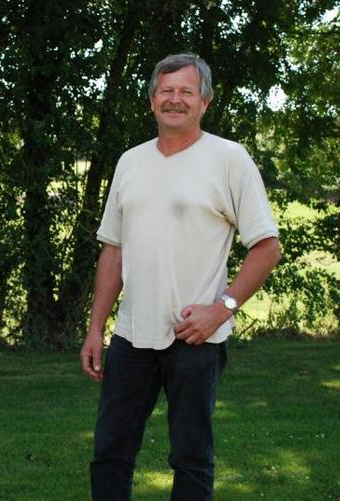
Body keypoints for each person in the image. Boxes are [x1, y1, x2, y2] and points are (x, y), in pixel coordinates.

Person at [80, 53, 281, 500]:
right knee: (110, 453)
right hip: (131, 338)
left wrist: (222, 308)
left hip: (195, 338)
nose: (175, 100)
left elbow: (268, 247)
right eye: (166, 91)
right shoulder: (129, 162)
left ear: (204, 102)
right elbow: (113, 250)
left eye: (186, 92)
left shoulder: (229, 158)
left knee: (191, 460)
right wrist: (96, 328)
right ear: (152, 100)